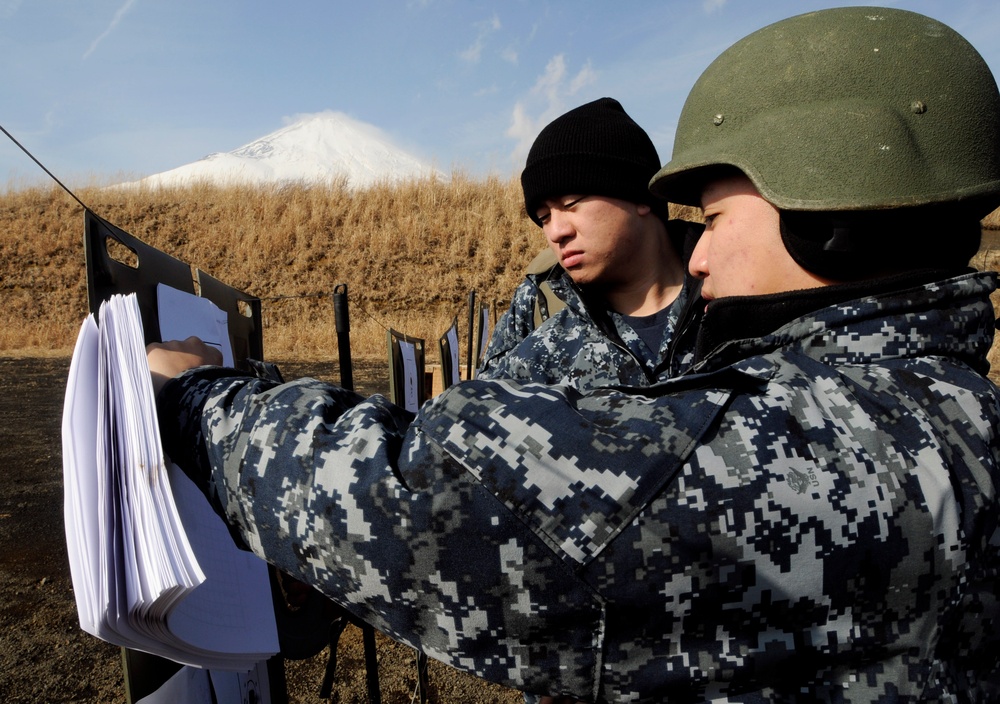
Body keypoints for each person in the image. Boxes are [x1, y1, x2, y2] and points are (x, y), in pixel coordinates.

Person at [148, 7, 1000, 702]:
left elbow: (425, 502)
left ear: (830, 214)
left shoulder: (822, 440)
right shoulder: (951, 407)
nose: (701, 255)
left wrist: (200, 398)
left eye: (719, 218)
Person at [477, 97, 703, 387]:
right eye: (544, 217)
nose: (556, 232)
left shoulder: (737, 290)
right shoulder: (541, 308)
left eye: (571, 203)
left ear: (638, 197)